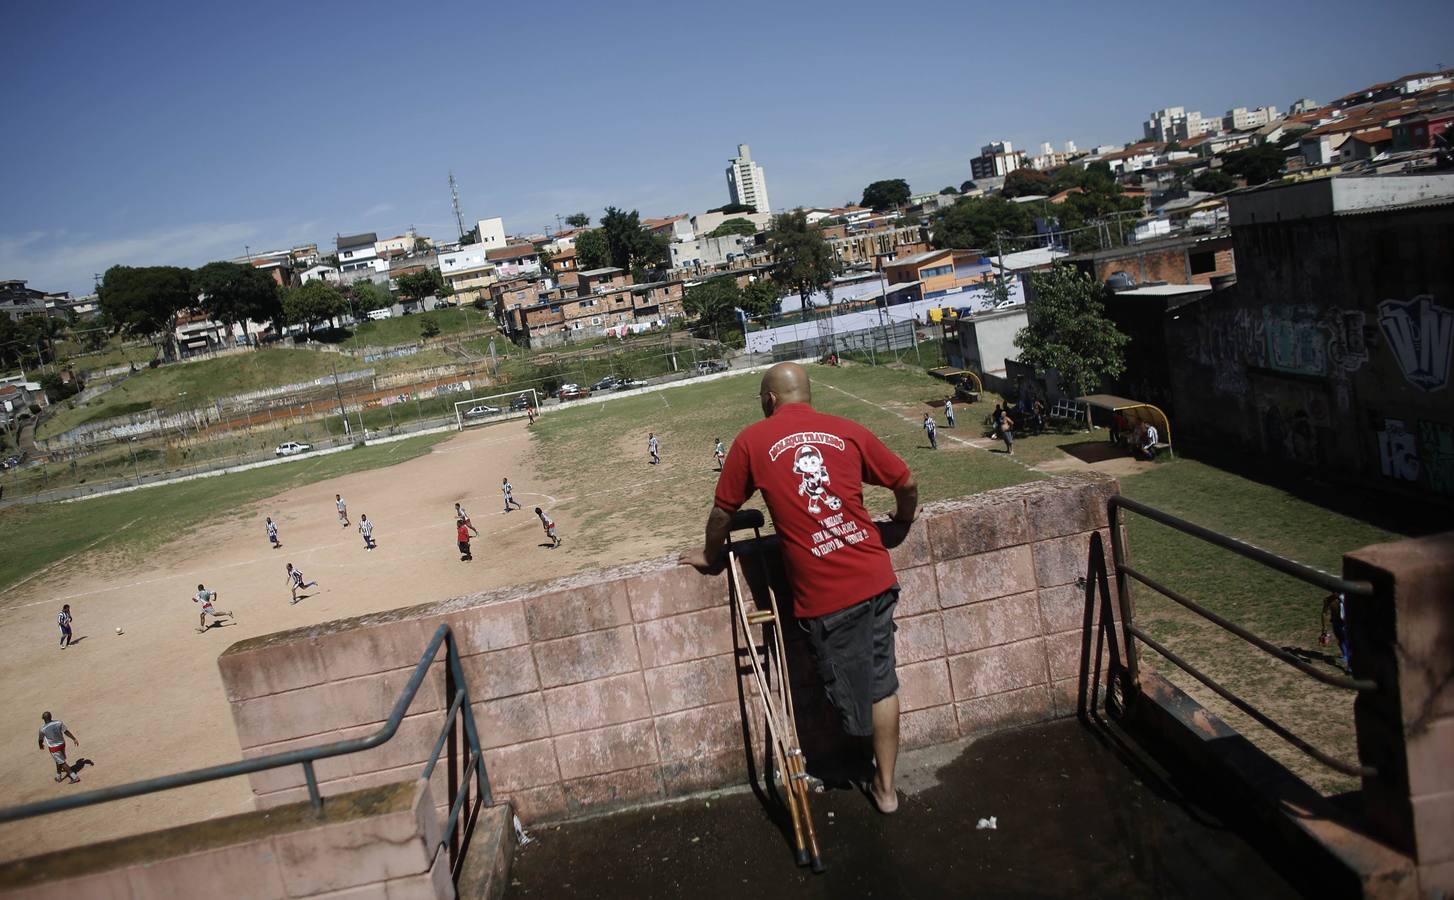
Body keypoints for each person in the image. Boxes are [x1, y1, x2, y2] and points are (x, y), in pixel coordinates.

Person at [682, 362, 919, 815]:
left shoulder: (752, 440)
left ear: (770, 399)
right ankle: (886, 790)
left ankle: (861, 765)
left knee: (858, 695)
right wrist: (903, 521)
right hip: (876, 576)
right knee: (883, 684)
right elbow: (906, 481)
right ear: (808, 395)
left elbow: (721, 514)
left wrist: (710, 556)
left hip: (828, 597)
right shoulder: (847, 430)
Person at [38, 712, 90, 784]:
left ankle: (74, 777)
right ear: (51, 716)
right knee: (59, 760)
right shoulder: (58, 722)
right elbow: (66, 731)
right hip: (62, 744)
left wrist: (41, 745)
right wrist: (74, 739)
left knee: (62, 762)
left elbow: (40, 739)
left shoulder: (42, 728)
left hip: (54, 748)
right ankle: (58, 776)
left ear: (43, 719)